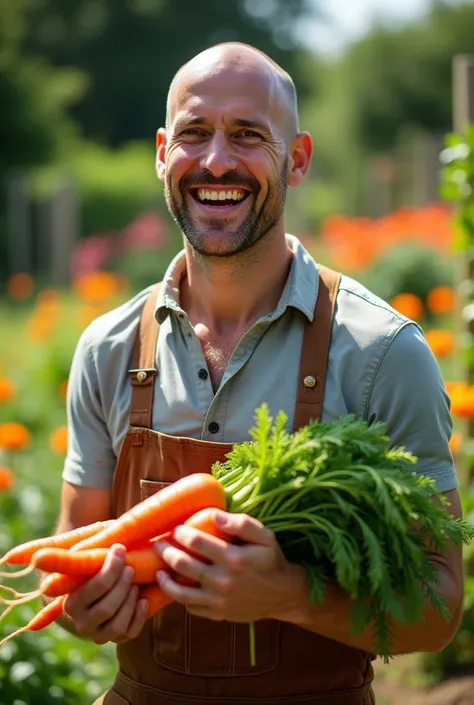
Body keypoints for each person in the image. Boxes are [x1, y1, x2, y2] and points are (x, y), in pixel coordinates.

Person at [48, 42, 463, 705]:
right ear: (162, 153)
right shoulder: (110, 348)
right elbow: (76, 564)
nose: (215, 161)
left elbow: (438, 607)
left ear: (296, 159)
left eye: (247, 135)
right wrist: (85, 607)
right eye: (194, 133)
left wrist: (288, 594)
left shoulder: (382, 353)